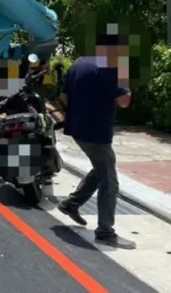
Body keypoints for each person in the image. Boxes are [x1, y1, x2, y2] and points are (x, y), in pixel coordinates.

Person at [56, 32, 135, 249]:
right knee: (109, 182)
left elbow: (64, 96)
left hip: (77, 130)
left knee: (102, 166)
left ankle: (71, 204)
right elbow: (124, 102)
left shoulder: (80, 62)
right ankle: (105, 232)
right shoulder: (113, 69)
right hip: (97, 134)